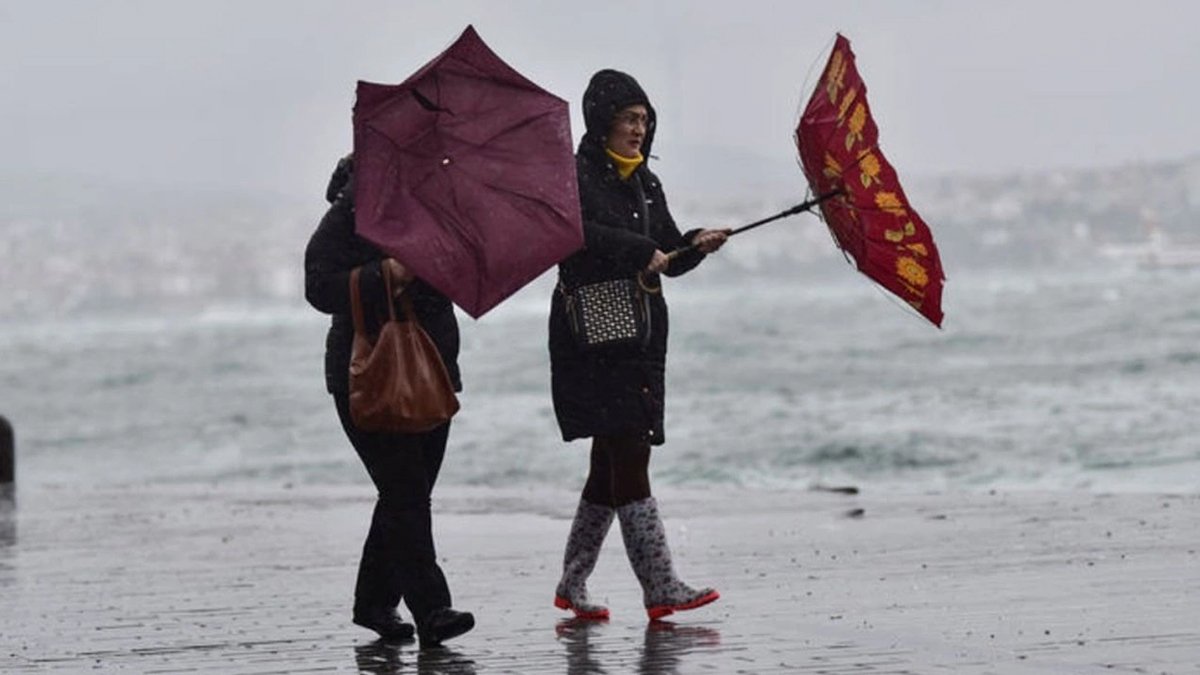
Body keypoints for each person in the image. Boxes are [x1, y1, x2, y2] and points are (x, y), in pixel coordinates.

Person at [549, 69, 728, 621]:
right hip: (591, 340)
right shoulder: (574, 176)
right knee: (630, 451)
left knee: (609, 462)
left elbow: (666, 254)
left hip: (641, 334)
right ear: (603, 121)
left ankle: (571, 585)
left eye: (646, 120)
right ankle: (660, 585)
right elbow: (572, 236)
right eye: (630, 119)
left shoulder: (647, 182)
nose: (639, 129)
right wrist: (635, 250)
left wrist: (695, 245)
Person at [305, 154, 474, 646]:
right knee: (405, 491)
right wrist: (387, 273)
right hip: (368, 374)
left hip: (433, 368)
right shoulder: (356, 203)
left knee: (407, 493)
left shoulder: (444, 207)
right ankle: (433, 610)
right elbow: (318, 284)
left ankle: (374, 602)